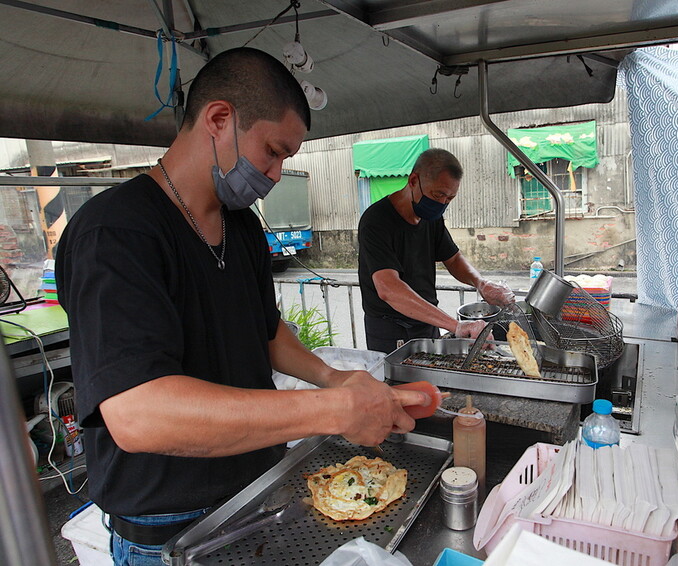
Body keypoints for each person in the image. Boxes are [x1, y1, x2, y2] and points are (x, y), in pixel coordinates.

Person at [55, 47, 429, 566]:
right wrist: (333, 410)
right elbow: (138, 413)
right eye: (272, 152)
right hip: (171, 528)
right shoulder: (115, 232)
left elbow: (265, 328)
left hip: (258, 494)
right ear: (219, 119)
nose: (275, 175)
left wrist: (331, 379)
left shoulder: (244, 227)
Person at [357, 148, 515, 353]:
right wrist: (455, 325)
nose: (441, 204)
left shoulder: (431, 218)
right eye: (438, 194)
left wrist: (481, 283)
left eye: (449, 199)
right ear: (414, 180)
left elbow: (453, 258)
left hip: (426, 322)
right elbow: (389, 289)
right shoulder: (376, 221)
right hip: (390, 332)